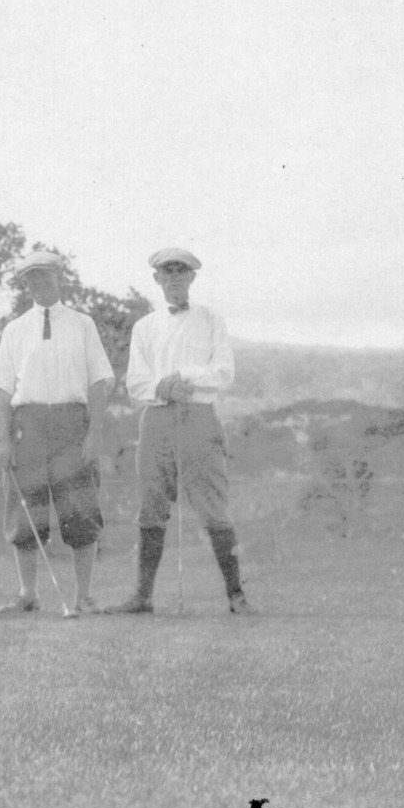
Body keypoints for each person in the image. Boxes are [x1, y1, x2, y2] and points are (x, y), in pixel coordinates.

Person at [111, 247, 252, 615]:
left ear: (192, 277)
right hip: (157, 419)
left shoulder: (210, 319)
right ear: (157, 278)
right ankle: (142, 597)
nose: (174, 278)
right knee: (151, 505)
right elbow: (136, 381)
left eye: (181, 271)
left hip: (198, 416)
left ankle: (236, 595)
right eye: (167, 272)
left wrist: (183, 376)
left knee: (212, 504)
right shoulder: (145, 326)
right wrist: (164, 387)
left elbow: (223, 371)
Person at [0, 251, 115, 618]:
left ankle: (84, 596)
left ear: (59, 278)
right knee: (25, 513)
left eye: (44, 277)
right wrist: (2, 439)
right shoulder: (15, 329)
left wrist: (94, 435)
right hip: (29, 424)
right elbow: (1, 392)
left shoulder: (82, 324)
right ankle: (28, 594)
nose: (38, 285)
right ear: (24, 284)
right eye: (31, 279)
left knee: (80, 511)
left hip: (72, 425)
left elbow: (98, 384)